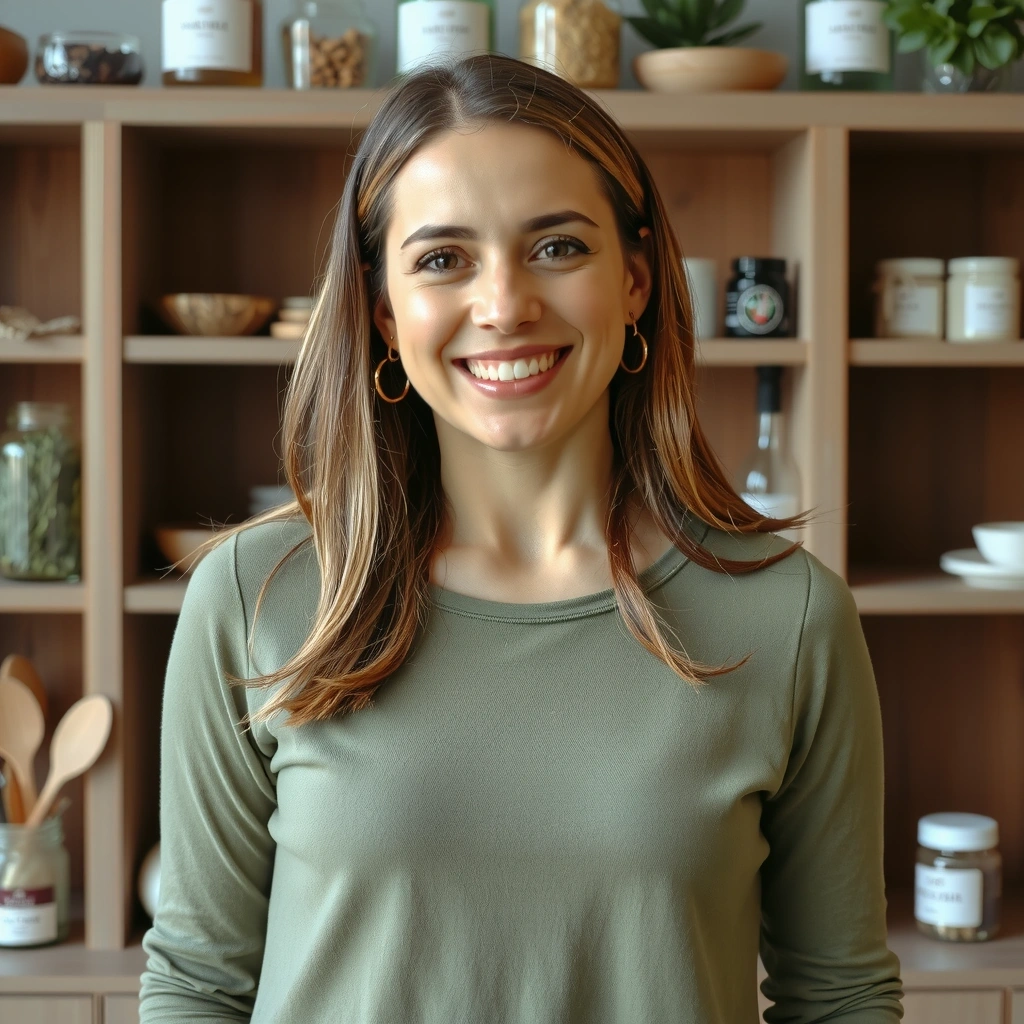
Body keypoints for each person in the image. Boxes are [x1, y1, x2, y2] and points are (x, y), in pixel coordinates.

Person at [139, 54, 904, 1024]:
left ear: (633, 282)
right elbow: (197, 986)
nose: (503, 304)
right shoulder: (253, 594)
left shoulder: (787, 615)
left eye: (555, 248)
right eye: (441, 259)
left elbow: (839, 998)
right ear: (383, 311)